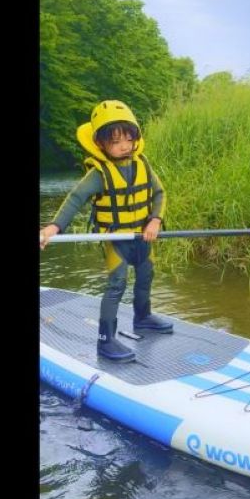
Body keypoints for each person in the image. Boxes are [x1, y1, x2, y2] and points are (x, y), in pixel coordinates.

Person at [40, 100, 173, 363]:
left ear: (136, 138)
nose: (124, 145)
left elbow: (159, 194)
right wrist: (54, 227)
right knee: (117, 284)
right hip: (116, 239)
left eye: (128, 138)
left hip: (142, 236)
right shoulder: (98, 175)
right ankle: (105, 340)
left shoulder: (143, 165)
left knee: (146, 275)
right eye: (115, 141)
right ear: (100, 143)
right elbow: (75, 199)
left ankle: (143, 317)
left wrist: (155, 220)